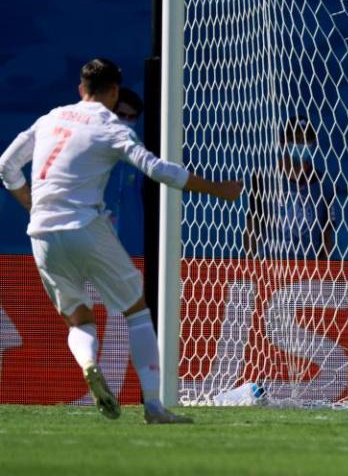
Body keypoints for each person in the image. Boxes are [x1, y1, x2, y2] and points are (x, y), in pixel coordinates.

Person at [0, 58, 242, 424]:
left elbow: (6, 165)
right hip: (85, 225)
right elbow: (159, 170)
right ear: (113, 93)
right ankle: (154, 406)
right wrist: (216, 189)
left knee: (79, 318)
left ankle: (89, 364)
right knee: (136, 310)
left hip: (41, 233)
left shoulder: (50, 118)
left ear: (81, 89)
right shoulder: (112, 127)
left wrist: (34, 206)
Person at [243, 116, 335, 260]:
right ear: (282, 142)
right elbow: (251, 228)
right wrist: (252, 267)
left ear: (313, 143)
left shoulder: (323, 184)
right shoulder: (263, 179)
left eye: (306, 140)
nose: (301, 145)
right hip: (271, 268)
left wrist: (322, 274)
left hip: (309, 272)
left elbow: (327, 235)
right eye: (296, 139)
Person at [105, 87, 145, 251]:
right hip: (95, 238)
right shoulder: (92, 147)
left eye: (132, 117)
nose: (127, 121)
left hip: (130, 243)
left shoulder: (140, 153)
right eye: (121, 115)